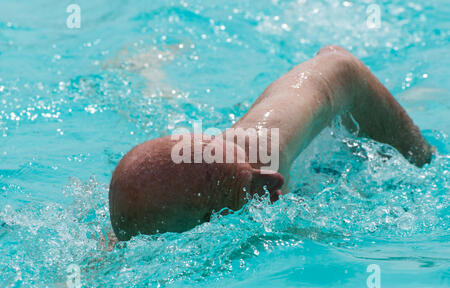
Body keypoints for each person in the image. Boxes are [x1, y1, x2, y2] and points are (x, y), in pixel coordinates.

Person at [109, 45, 434, 241]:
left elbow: (340, 65)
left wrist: (416, 157)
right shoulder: (145, 226)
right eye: (246, 188)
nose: (271, 181)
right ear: (203, 222)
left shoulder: (264, 148)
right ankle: (145, 71)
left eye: (253, 172)